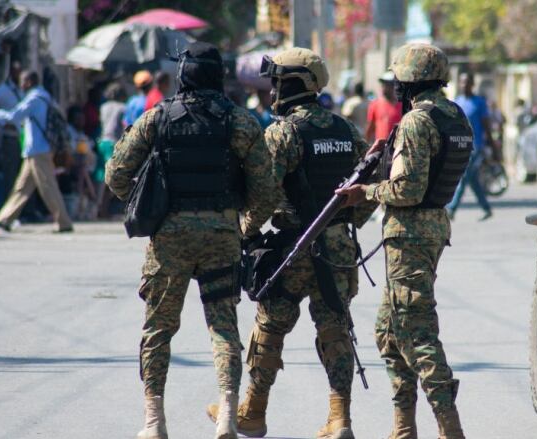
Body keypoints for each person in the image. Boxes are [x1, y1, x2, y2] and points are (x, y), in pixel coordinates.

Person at [105, 42, 277, 439]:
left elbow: (115, 175)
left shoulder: (157, 118)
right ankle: (228, 417)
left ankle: (154, 421)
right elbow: (266, 191)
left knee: (159, 329)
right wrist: (243, 227)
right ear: (220, 76)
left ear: (182, 75)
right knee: (223, 328)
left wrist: (148, 198)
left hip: (169, 239)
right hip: (221, 235)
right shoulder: (240, 121)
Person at [205, 47, 375, 439]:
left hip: (294, 248)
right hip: (337, 249)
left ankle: (253, 411)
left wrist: (244, 231)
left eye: (277, 81)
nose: (273, 90)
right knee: (335, 329)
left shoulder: (283, 133)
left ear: (293, 84)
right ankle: (340, 419)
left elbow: (262, 195)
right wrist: (345, 227)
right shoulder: (345, 129)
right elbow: (367, 188)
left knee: (269, 327)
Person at [336, 43, 469, 439]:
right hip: (430, 230)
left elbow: (408, 190)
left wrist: (366, 193)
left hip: (410, 234)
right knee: (388, 333)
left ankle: (450, 427)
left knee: (416, 332)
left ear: (409, 80)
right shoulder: (454, 116)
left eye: (399, 79)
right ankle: (403, 427)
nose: (395, 85)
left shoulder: (416, 122)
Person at [0, 70, 74, 233]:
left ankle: (64, 222)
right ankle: (5, 218)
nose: (20, 84)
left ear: (29, 82)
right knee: (22, 187)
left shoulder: (34, 99)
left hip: (38, 150)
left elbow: (13, 116)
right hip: (35, 150)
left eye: (22, 81)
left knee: (48, 186)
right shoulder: (44, 96)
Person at [445, 72, 495, 221]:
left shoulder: (479, 102)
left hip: (475, 147)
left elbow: (486, 125)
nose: (464, 85)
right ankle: (486, 208)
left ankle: (451, 209)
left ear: (472, 84)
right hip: (460, 145)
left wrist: (492, 145)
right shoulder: (458, 102)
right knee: (472, 180)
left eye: (467, 82)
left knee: (463, 176)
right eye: (461, 82)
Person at [0, 59, 23, 201]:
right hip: (9, 138)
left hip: (23, 138)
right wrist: (2, 123)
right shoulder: (3, 90)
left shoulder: (22, 91)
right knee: (10, 175)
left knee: (22, 176)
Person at [95, 82, 127, 218]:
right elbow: (124, 126)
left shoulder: (103, 107)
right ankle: (103, 209)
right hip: (114, 143)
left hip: (102, 141)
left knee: (101, 177)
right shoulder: (122, 108)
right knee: (111, 177)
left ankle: (100, 208)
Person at [365, 71, 402, 143]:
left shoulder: (402, 105)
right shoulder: (375, 104)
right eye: (383, 84)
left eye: (387, 84)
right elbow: (370, 127)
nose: (384, 87)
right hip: (380, 148)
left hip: (396, 147)